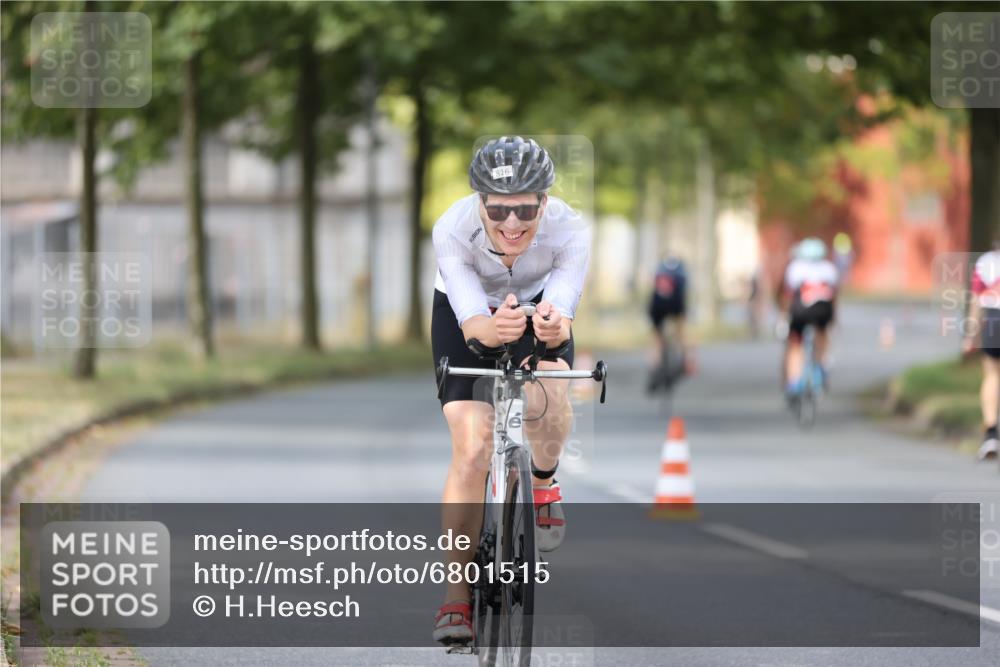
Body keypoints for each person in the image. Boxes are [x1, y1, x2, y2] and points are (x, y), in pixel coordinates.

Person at [429, 136, 591, 644]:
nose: (512, 223)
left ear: (545, 201)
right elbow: (472, 319)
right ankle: (457, 598)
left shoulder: (572, 230)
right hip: (466, 312)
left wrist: (553, 327)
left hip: (538, 305)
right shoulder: (452, 228)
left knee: (550, 393)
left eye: (525, 208)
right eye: (498, 209)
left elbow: (563, 312)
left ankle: (542, 483)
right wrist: (486, 329)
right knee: (473, 444)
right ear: (479, 201)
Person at [780, 238, 839, 398]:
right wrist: (834, 317)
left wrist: (784, 315)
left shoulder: (795, 268)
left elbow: (788, 294)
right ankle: (821, 366)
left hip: (800, 312)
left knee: (795, 345)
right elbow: (834, 295)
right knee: (822, 334)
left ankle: (793, 383)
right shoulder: (829, 268)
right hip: (823, 311)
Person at [962, 236, 1000, 462]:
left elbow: (976, 301)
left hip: (994, 320)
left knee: (992, 374)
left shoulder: (985, 262)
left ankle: (991, 434)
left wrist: (970, 336)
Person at [647, 256, 688, 392]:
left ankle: (655, 369)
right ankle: (683, 360)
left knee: (657, 339)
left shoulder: (659, 271)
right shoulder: (682, 274)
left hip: (657, 306)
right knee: (679, 332)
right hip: (676, 304)